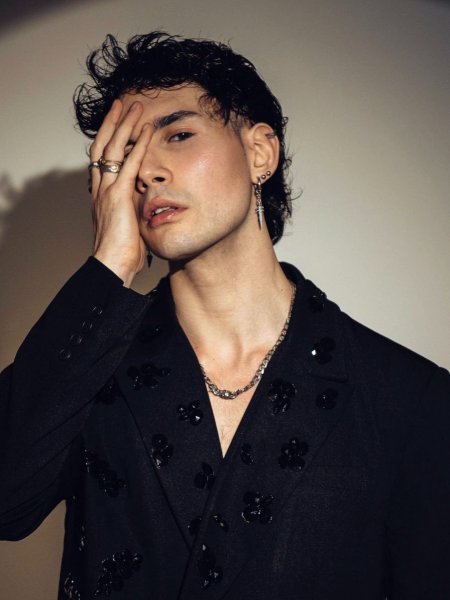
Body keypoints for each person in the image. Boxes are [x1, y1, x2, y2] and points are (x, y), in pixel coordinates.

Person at [0, 31, 449, 600]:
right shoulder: (86, 369)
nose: (147, 171)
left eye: (178, 135)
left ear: (260, 153)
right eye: (126, 154)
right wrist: (109, 266)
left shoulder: (409, 397)